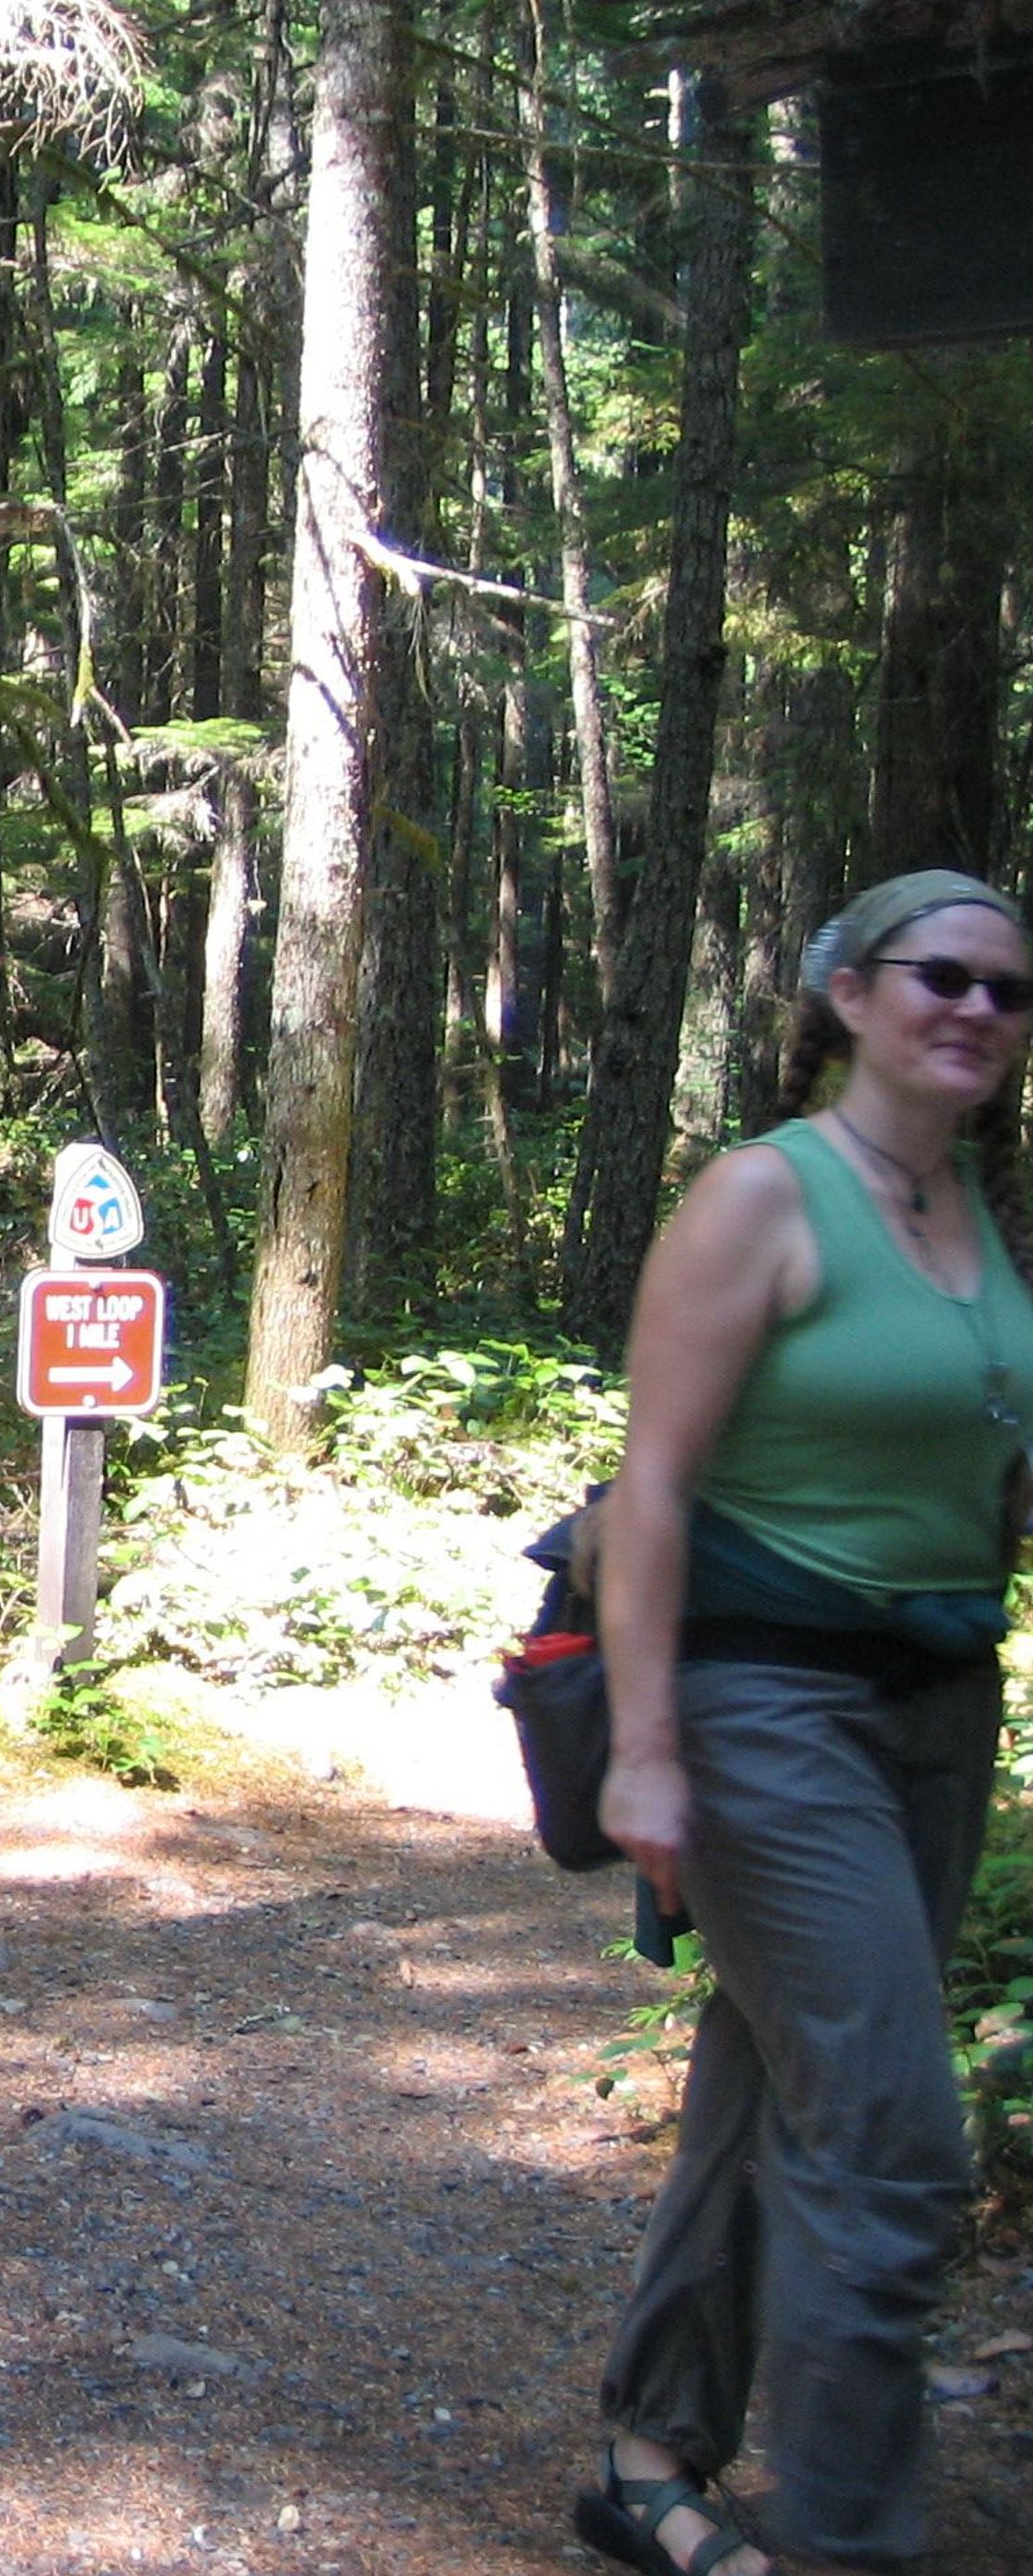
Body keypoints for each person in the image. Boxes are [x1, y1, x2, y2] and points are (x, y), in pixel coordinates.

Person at [577, 869, 1033, 2576]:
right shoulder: (765, 1199)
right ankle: (857, 2542)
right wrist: (644, 1747)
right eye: (943, 977)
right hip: (767, 1704)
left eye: (1009, 989)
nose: (977, 1009)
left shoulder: (972, 1211)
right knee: (895, 2137)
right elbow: (657, 1487)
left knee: (775, 2088)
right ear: (849, 995)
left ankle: (647, 2461)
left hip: (934, 1709)